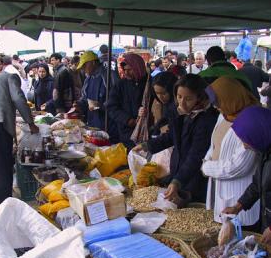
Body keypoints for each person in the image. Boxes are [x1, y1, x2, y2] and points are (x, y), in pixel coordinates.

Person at [133, 74, 218, 206]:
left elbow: (196, 155)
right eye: (179, 97)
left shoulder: (206, 120)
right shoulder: (180, 112)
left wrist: (177, 181)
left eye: (188, 98)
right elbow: (172, 136)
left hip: (195, 177)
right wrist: (147, 145)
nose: (182, 103)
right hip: (179, 170)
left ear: (199, 97)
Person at [202, 77, 260, 228]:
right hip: (220, 188)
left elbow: (239, 166)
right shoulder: (225, 114)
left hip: (240, 197)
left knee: (240, 239)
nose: (215, 106)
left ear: (230, 97)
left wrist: (207, 168)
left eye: (217, 101)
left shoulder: (251, 120)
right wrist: (207, 159)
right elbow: (214, 144)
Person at [222, 106, 271, 243]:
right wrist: (238, 206)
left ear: (258, 133)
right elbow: (257, 185)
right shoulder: (264, 151)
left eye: (246, 140)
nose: (244, 146)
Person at [0, 71, 38, 203]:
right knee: (2, 166)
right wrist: (30, 122)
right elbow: (18, 99)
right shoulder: (10, 77)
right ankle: (5, 204)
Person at [107, 53, 148, 150]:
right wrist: (128, 120)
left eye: (129, 70)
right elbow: (111, 107)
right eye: (124, 70)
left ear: (138, 68)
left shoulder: (149, 83)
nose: (126, 73)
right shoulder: (120, 85)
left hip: (146, 133)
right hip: (126, 133)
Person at [78, 51, 118, 138]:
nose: (83, 69)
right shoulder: (88, 79)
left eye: (85, 65)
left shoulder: (109, 75)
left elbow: (118, 98)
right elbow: (84, 98)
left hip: (109, 124)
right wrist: (78, 104)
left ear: (93, 62)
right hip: (93, 123)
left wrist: (101, 105)